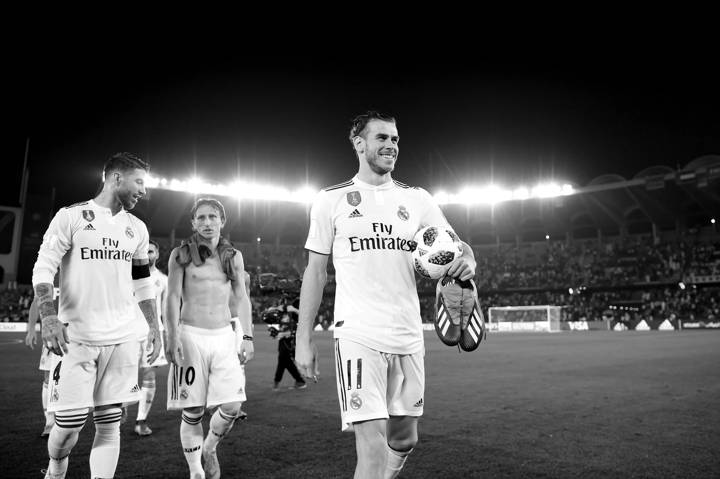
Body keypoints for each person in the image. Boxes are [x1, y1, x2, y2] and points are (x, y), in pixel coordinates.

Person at [295, 111, 476, 479]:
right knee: (372, 447)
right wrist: (303, 338)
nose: (391, 145)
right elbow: (315, 272)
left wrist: (469, 263)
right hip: (358, 333)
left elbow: (460, 248)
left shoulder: (418, 199)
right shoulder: (331, 200)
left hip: (408, 333)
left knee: (404, 439)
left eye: (395, 139)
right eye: (382, 138)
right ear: (359, 144)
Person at [32, 152, 161, 479]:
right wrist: (48, 316)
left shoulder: (137, 228)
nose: (143, 191)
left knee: (110, 422)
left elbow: (144, 283)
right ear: (116, 178)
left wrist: (155, 328)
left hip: (123, 339)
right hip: (77, 339)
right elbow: (43, 268)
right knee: (68, 429)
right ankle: (56, 470)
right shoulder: (71, 217)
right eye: (139, 182)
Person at [165, 198, 254, 479]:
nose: (206, 223)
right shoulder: (180, 254)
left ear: (222, 221)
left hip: (224, 337)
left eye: (212, 217)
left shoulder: (233, 256)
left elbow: (242, 297)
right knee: (192, 409)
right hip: (191, 335)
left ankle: (210, 448)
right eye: (200, 218)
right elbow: (173, 297)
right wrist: (172, 334)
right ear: (192, 223)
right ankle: (196, 473)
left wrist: (248, 336)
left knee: (232, 406)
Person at [133, 239, 169, 436]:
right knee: (124, 377)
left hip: (152, 333)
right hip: (128, 332)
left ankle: (141, 420)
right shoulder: (127, 276)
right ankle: (120, 408)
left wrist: (166, 333)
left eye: (151, 252)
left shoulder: (162, 280)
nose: (147, 255)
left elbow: (164, 310)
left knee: (149, 375)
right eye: (144, 252)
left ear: (157, 255)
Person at [24, 280, 60, 438]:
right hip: (52, 331)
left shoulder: (81, 267)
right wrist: (31, 329)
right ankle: (49, 421)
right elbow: (36, 301)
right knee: (48, 378)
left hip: (78, 330)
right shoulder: (49, 274)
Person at [264, 295, 307, 391]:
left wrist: (294, 310)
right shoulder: (283, 307)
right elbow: (272, 313)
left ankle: (296, 381)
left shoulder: (296, 304)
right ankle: (298, 381)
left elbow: (305, 317)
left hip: (291, 337)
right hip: (282, 336)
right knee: (283, 360)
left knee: (284, 359)